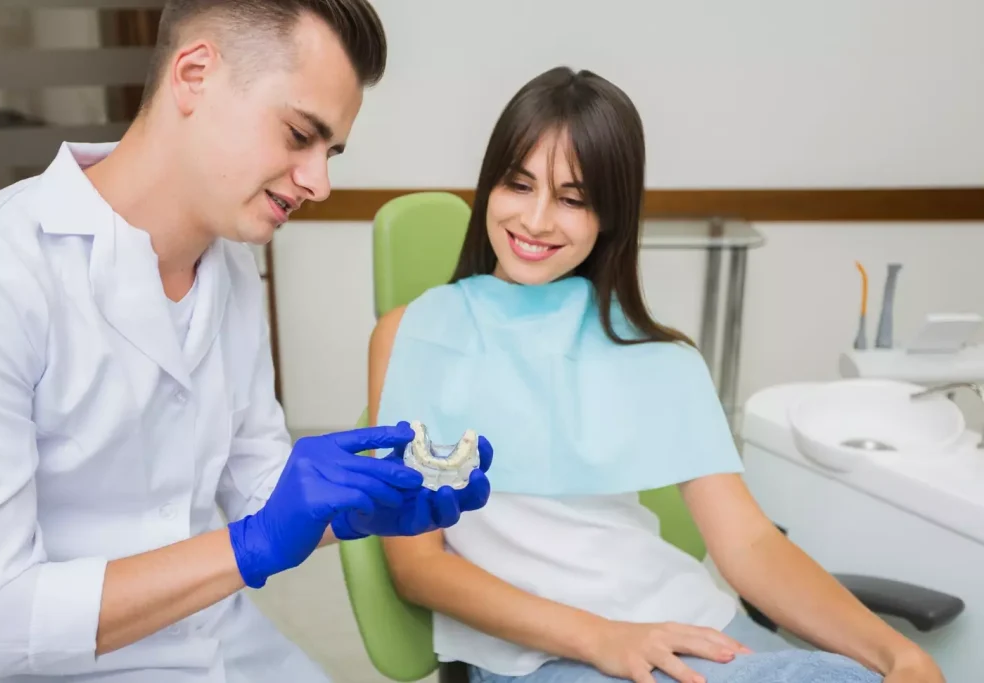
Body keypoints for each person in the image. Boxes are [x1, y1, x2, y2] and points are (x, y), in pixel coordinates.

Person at [0, 1, 492, 681]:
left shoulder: (233, 265)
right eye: (300, 134)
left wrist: (359, 502)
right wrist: (248, 547)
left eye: (329, 153)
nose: (320, 183)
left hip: (221, 642)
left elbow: (259, 486)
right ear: (194, 74)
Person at [366, 67, 946, 683]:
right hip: (544, 653)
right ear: (490, 188)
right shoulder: (413, 334)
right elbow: (417, 566)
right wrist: (603, 639)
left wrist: (895, 653)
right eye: (518, 184)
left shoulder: (655, 353)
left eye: (572, 198)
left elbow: (748, 545)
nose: (536, 221)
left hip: (686, 619)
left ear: (609, 216)